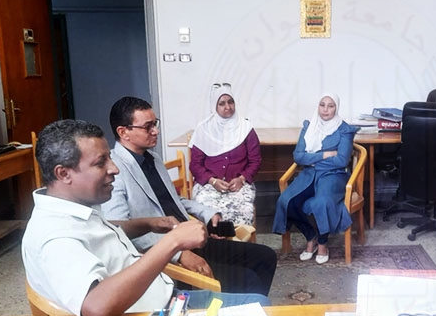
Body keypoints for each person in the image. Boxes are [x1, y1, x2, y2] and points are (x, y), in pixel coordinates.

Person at [22, 120, 266, 316]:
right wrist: (172, 243)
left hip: (164, 298)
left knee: (258, 301)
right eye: (100, 162)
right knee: (260, 309)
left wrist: (148, 223)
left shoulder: (72, 208)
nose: (114, 169)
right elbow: (96, 308)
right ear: (64, 174)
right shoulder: (56, 236)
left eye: (110, 158)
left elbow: (104, 234)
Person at [102, 97, 276, 296]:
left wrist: (208, 214)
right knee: (247, 279)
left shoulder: (153, 159)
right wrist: (178, 254)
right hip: (166, 252)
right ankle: (237, 308)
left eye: (155, 124)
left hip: (189, 238)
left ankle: (248, 308)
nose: (155, 131)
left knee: (266, 257)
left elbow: (175, 201)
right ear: (123, 132)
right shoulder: (114, 171)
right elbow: (121, 231)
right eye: (148, 127)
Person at [272, 93, 358, 264]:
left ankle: (323, 243)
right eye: (322, 105)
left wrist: (311, 159)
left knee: (322, 202)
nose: (325, 110)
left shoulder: (344, 130)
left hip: (333, 175)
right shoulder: (309, 126)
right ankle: (311, 236)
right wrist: (325, 155)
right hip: (309, 174)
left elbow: (341, 161)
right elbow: (298, 156)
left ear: (337, 108)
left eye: (331, 106)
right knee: (286, 201)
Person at [189, 83, 261, 226]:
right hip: (209, 185)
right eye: (222, 103)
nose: (228, 107)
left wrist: (241, 179)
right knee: (207, 208)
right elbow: (195, 165)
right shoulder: (203, 129)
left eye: (230, 102)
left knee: (244, 209)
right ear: (214, 107)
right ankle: (212, 240)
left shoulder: (246, 128)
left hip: (240, 185)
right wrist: (212, 181)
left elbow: (255, 161)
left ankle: (240, 241)